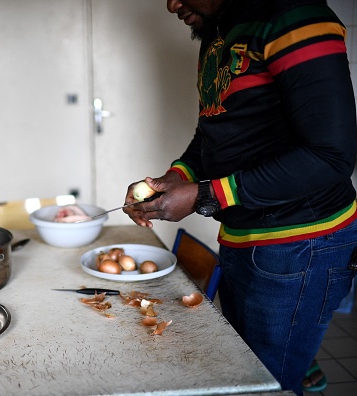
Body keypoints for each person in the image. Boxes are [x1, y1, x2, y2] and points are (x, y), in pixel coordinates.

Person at [123, 1, 357, 394]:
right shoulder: (219, 32)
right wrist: (176, 177)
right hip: (242, 238)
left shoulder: (293, 15)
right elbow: (216, 133)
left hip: (300, 246)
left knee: (266, 385)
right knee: (241, 374)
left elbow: (332, 156)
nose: (171, 3)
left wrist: (203, 194)